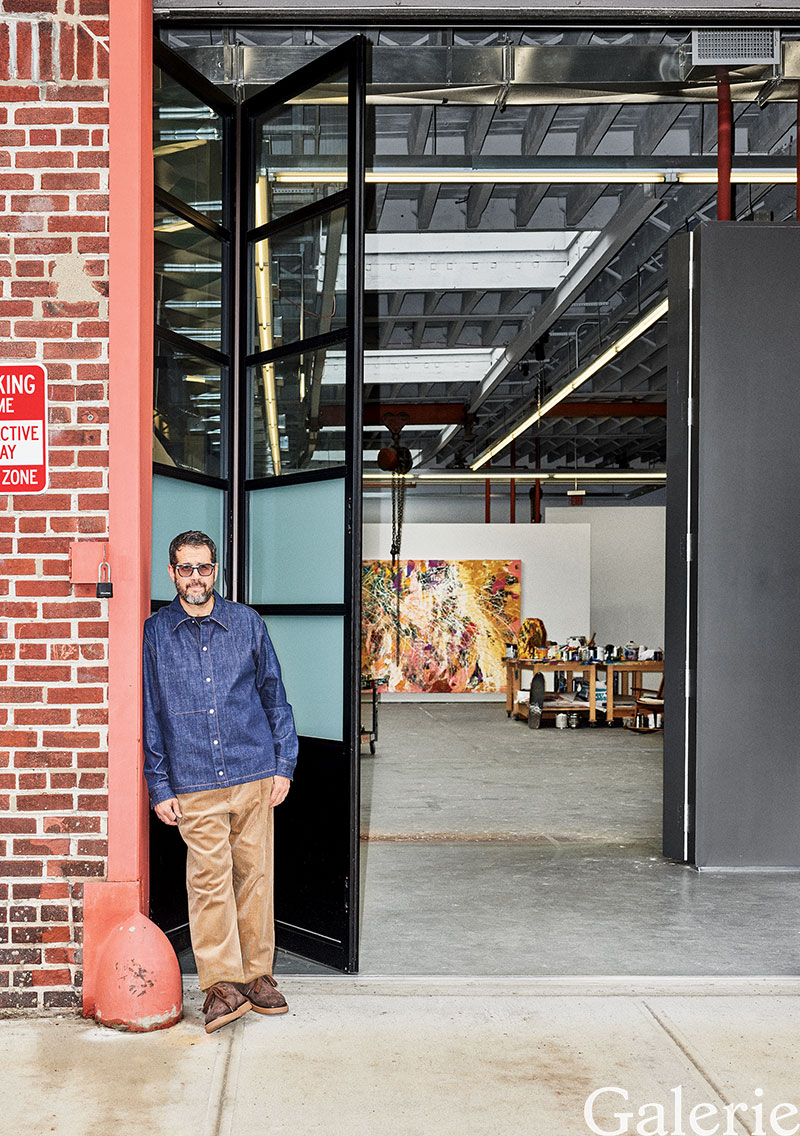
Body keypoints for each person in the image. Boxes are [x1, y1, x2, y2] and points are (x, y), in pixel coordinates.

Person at [142, 529, 298, 1033]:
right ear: (172, 573)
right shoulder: (155, 634)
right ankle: (220, 985)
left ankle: (257, 976)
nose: (195, 578)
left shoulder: (247, 624)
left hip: (253, 772)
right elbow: (150, 712)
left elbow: (275, 695)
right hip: (194, 779)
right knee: (209, 881)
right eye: (185, 569)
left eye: (204, 568)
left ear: (216, 570)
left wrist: (284, 763)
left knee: (255, 876)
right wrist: (160, 784)